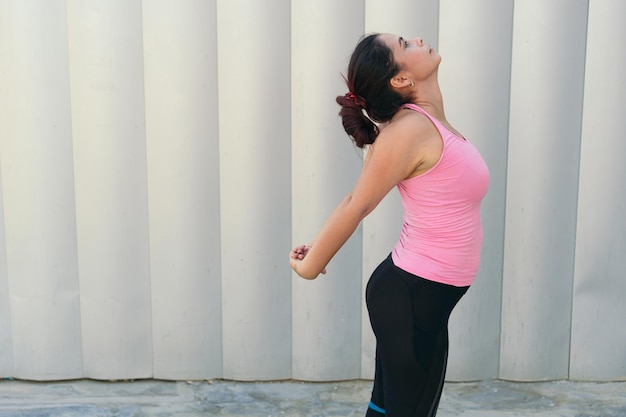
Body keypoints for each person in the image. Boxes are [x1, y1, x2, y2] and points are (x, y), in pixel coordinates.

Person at [290, 33, 490, 416]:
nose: (417, 39)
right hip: (410, 297)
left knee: (387, 410)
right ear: (400, 80)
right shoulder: (408, 131)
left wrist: (314, 250)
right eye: (404, 44)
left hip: (423, 299)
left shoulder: (427, 124)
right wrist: (310, 264)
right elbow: (356, 203)